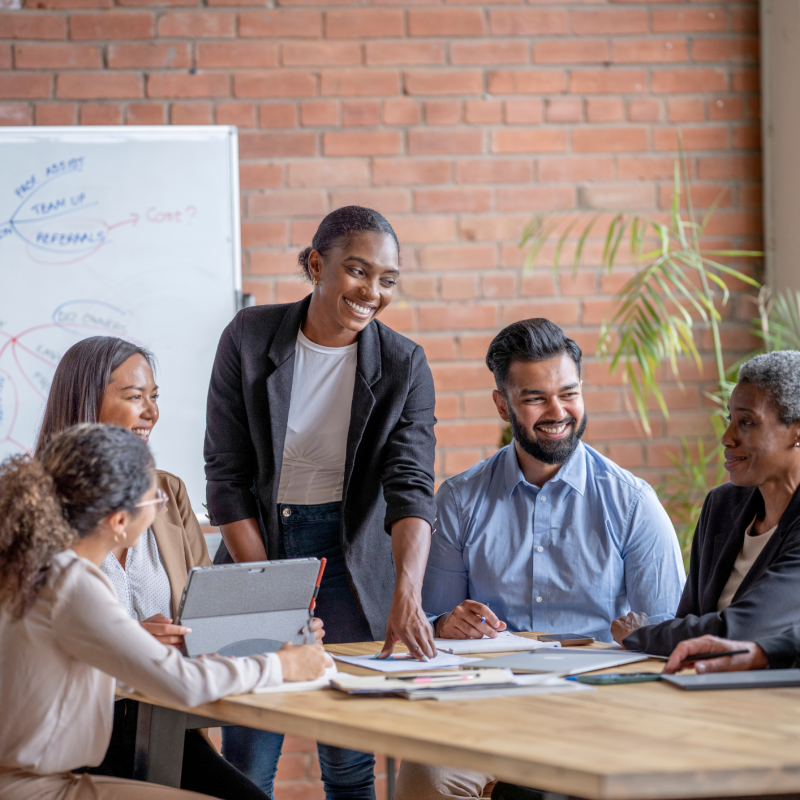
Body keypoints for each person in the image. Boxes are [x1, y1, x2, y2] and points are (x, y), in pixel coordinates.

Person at [394, 318, 685, 800]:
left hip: (599, 713)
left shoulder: (633, 503)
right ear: (503, 406)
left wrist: (641, 638)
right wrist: (448, 622)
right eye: (535, 398)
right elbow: (430, 622)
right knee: (425, 778)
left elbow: (673, 634)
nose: (558, 411)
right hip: (483, 709)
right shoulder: (459, 500)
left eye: (568, 393)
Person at [204, 206, 437, 800]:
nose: (372, 292)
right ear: (316, 264)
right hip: (258, 545)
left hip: (351, 558)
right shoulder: (251, 337)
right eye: (358, 272)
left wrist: (406, 593)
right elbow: (226, 474)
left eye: (387, 280)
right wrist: (271, 586)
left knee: (349, 758)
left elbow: (410, 483)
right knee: (249, 753)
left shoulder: (404, 364)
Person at [36, 336, 325, 800]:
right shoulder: (34, 519)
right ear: (86, 400)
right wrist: (131, 642)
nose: (150, 411)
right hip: (78, 733)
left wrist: (276, 633)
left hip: (167, 721)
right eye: (134, 397)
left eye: (155, 397)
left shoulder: (167, 491)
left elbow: (205, 617)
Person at [616, 350, 800, 656]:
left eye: (747, 422)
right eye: (730, 419)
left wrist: (642, 635)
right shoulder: (721, 506)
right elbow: (690, 618)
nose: (727, 437)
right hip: (700, 682)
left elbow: (743, 629)